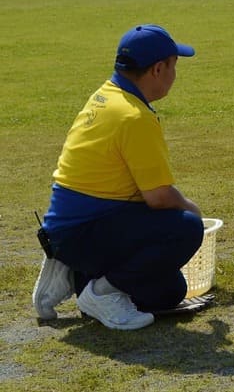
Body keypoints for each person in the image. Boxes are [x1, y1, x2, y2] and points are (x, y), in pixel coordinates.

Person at [32, 24, 204, 330]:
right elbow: (159, 197)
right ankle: (102, 292)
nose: (174, 75)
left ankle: (78, 275)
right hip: (84, 230)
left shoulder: (104, 96)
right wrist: (192, 209)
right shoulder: (134, 117)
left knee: (170, 290)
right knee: (187, 228)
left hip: (67, 229)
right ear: (158, 69)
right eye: (174, 66)